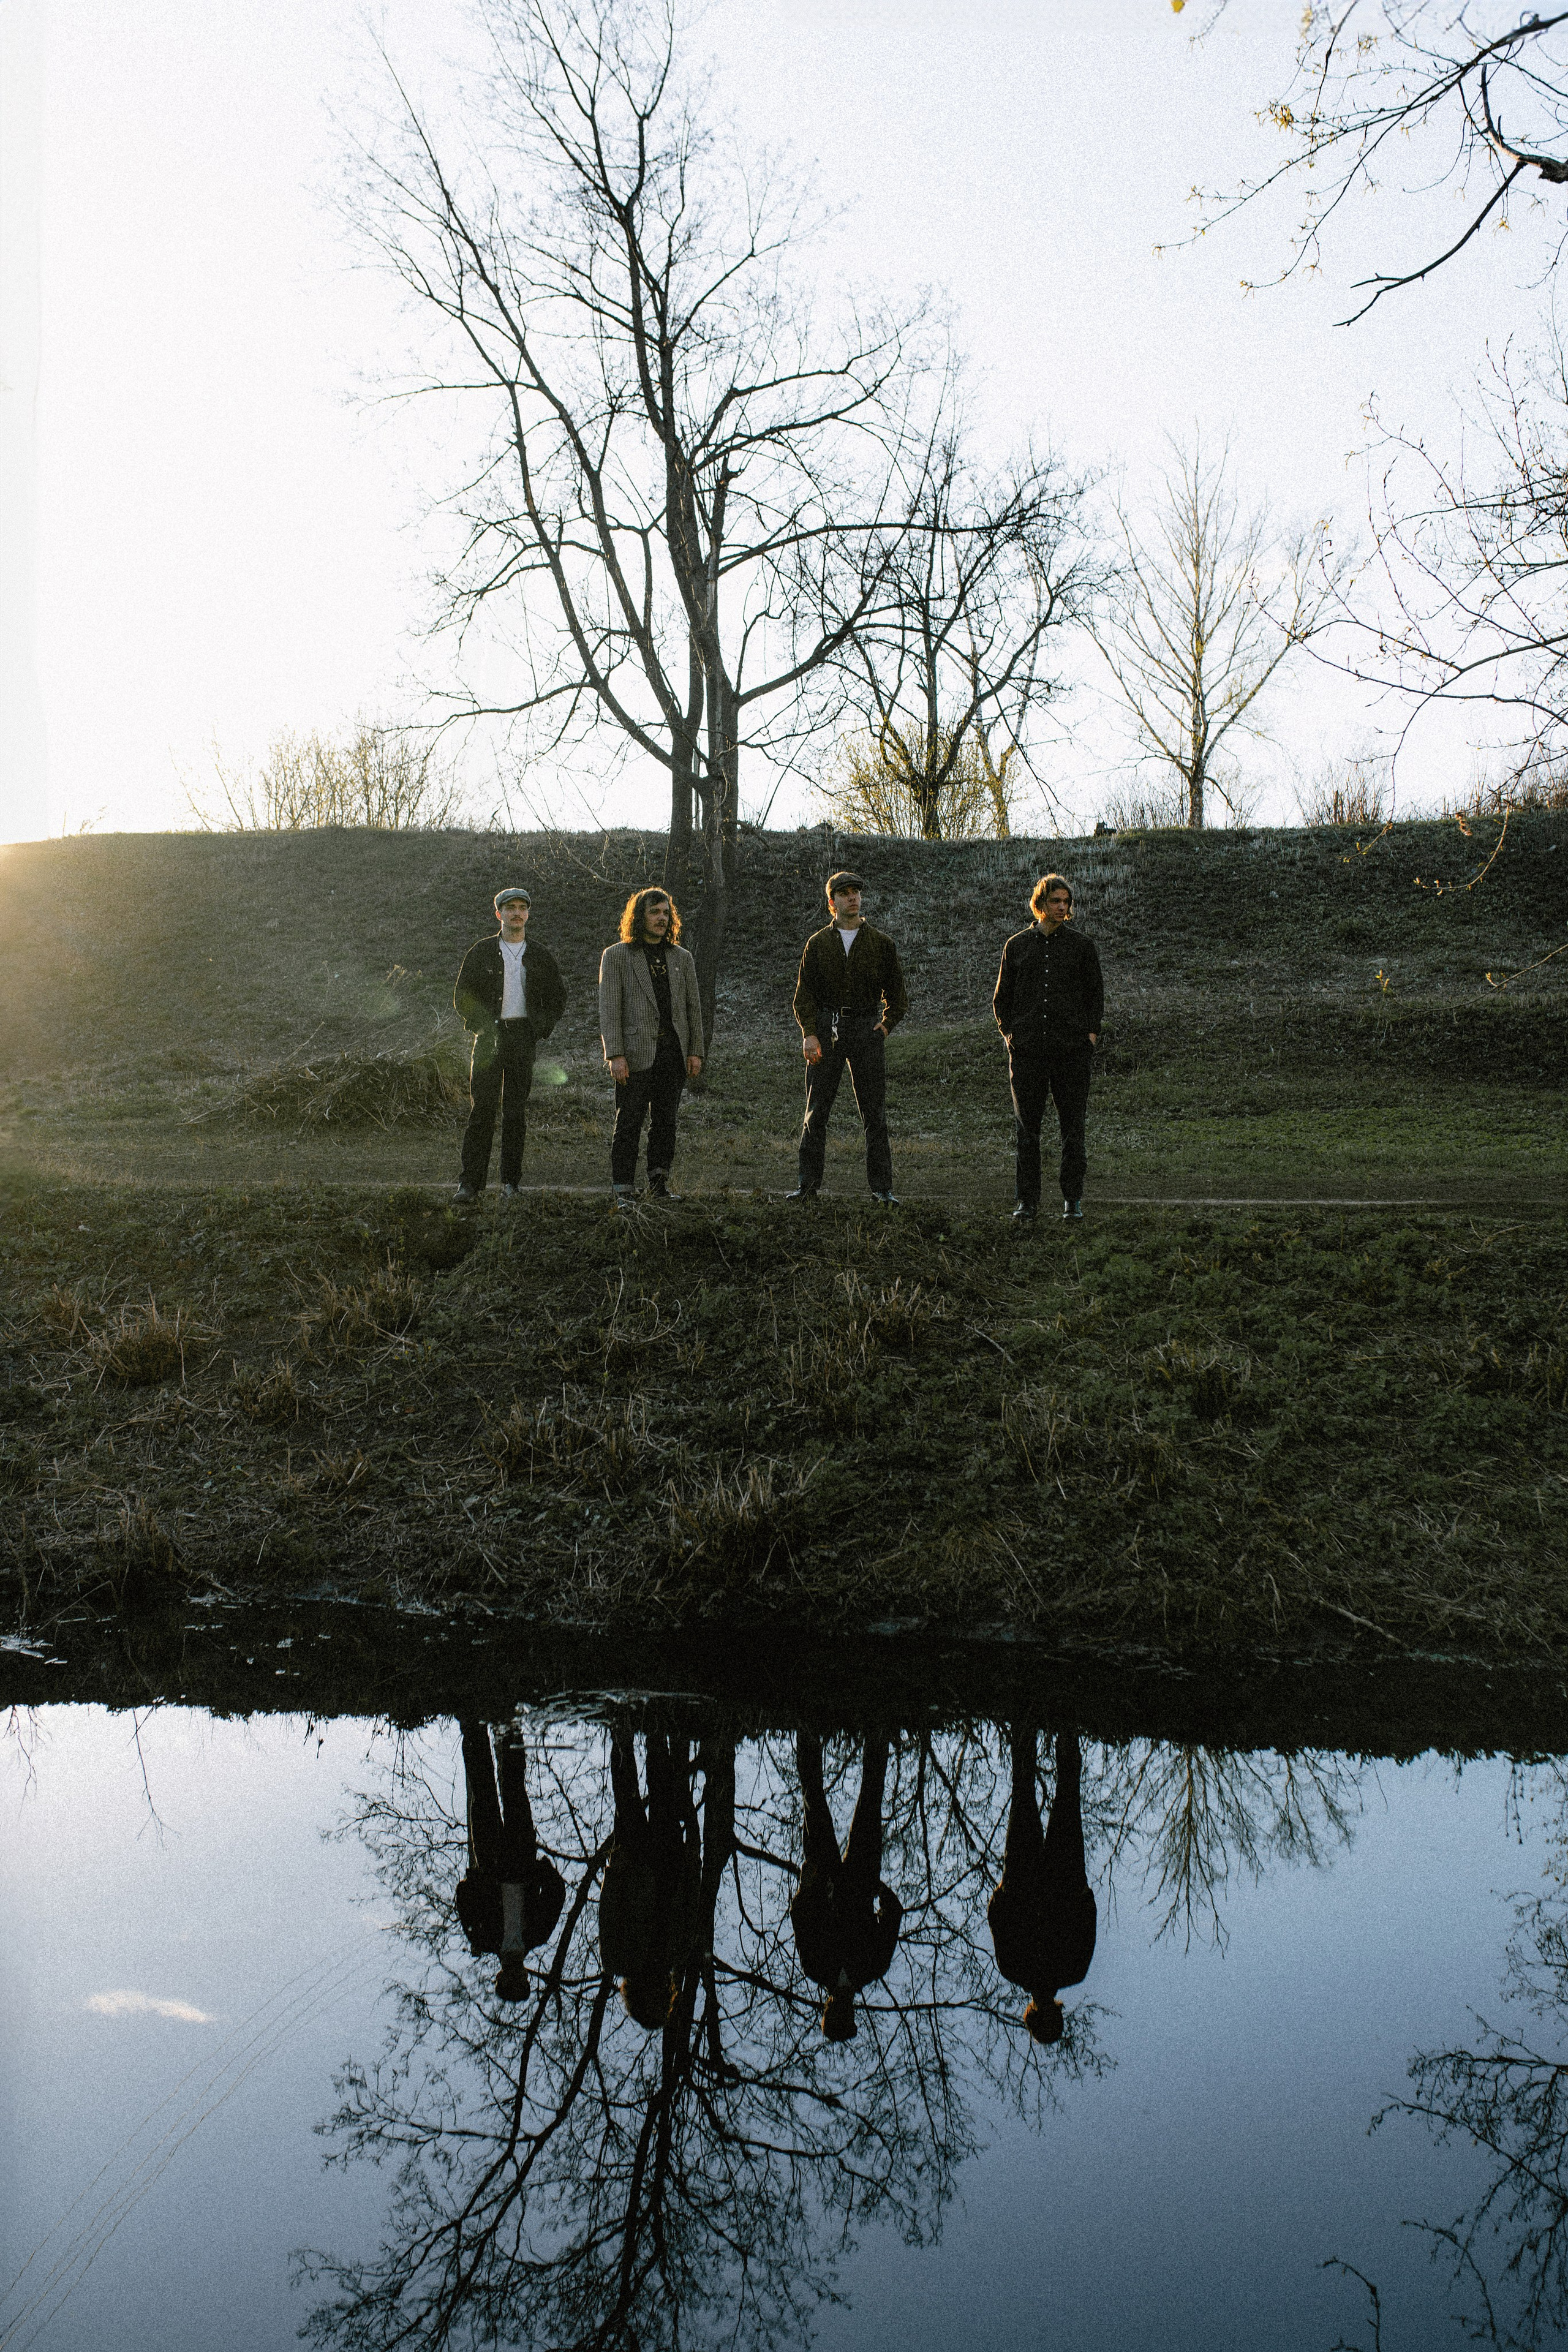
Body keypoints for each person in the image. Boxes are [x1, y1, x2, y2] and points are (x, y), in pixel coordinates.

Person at [790, 872, 908, 1205]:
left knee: (874, 1112)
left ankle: (882, 1189)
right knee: (816, 1110)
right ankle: (807, 1186)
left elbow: (898, 995)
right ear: (832, 902)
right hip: (827, 1029)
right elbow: (804, 995)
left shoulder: (881, 943)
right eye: (844, 894)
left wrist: (885, 1026)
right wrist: (810, 1033)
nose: (852, 898)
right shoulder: (818, 943)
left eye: (856, 892)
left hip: (866, 1029)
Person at [991, 872, 1103, 1223]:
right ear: (1040, 904)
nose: (1061, 907)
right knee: (1028, 1129)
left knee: (1073, 1127)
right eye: (1055, 901)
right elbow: (1001, 998)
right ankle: (1027, 1202)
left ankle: (1073, 1201)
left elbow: (1095, 997)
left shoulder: (1082, 946)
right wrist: (1009, 1034)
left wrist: (1090, 1036)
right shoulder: (1017, 945)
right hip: (1027, 1053)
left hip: (1071, 1051)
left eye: (1066, 902)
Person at [452, 888, 568, 1204]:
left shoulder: (540, 955)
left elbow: (558, 997)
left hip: (522, 1038)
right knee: (483, 1110)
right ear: (498, 914)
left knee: (515, 1112)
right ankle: (470, 1185)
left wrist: (538, 1028)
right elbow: (463, 995)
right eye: (510, 908)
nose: (516, 913)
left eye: (522, 908)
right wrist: (481, 1025)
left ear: (528, 914)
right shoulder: (482, 952)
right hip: (489, 1038)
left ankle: (510, 1184)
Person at [789, 1732, 903, 2041]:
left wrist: (809, 1883)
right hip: (861, 1878)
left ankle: (808, 1727)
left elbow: (799, 1915)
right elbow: (894, 1914)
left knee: (813, 1796)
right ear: (853, 2014)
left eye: (833, 2013)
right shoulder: (873, 1967)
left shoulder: (814, 1967)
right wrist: (875, 1887)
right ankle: (878, 1726)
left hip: (822, 1875)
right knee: (871, 1795)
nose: (840, 2008)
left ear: (825, 2009)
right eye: (845, 2015)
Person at [987, 1727, 1097, 2045]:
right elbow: (997, 1915)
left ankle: (1067, 1720)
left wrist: (1080, 1893)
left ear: (1058, 2014)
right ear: (1029, 2012)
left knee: (1067, 1790)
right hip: (1024, 1877)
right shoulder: (1013, 1969)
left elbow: (1088, 1915)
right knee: (1023, 1788)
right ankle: (1027, 1716)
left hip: (1065, 1877)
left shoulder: (1074, 1971)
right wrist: (1005, 1892)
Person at [598, 888, 705, 1205]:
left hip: (672, 1055)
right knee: (629, 1121)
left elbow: (693, 1009)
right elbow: (609, 1009)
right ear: (639, 916)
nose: (661, 918)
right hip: (634, 1055)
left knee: (665, 1122)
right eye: (654, 912)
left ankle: (659, 1185)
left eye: (665, 913)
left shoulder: (681, 958)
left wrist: (695, 1051)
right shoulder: (617, 955)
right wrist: (615, 1055)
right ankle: (622, 1190)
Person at [454, 1722, 567, 2005]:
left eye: (510, 1980)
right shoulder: (538, 1934)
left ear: (500, 1977)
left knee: (482, 1791)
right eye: (521, 1980)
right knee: (515, 1788)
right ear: (527, 1976)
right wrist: (540, 1870)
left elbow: (464, 1900)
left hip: (490, 1861)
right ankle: (509, 1727)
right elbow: (557, 1895)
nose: (516, 1975)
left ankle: (474, 1727)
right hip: (521, 1857)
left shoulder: (483, 1939)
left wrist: (476, 1880)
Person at [598, 1729, 704, 2030]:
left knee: (633, 1794)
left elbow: (608, 1912)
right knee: (654, 1793)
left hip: (637, 1862)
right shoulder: (675, 1953)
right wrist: (689, 1860)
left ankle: (626, 1730)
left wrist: (615, 1868)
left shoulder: (620, 1959)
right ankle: (652, 1729)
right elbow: (690, 1901)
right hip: (665, 1860)